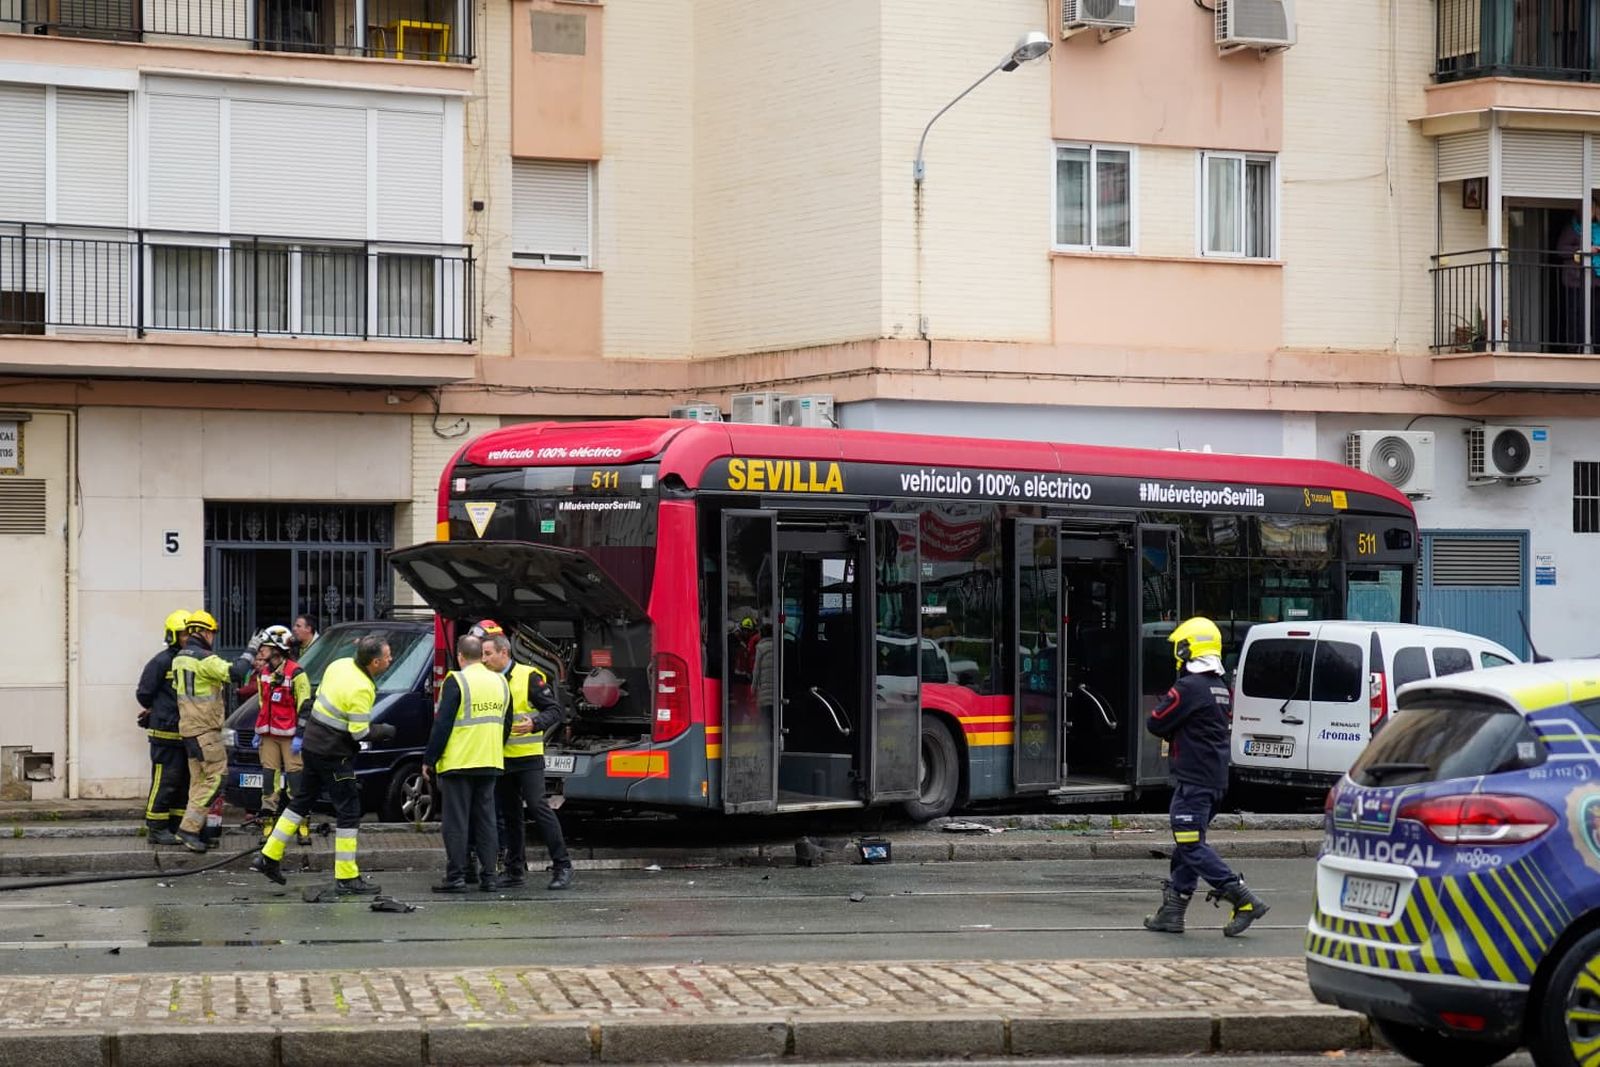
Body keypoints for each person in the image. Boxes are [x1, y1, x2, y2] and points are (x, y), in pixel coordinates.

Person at [1142, 616, 1268, 937]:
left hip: (1194, 781)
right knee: (1187, 845)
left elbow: (1156, 722)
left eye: (1179, 648)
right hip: (1214, 780)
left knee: (1190, 844)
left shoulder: (1189, 687)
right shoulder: (1219, 687)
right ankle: (1173, 912)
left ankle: (1242, 897)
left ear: (1188, 650)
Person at [251, 635, 396, 894]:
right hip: (334, 755)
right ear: (375, 662)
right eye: (387, 656)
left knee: (301, 801)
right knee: (349, 811)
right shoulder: (362, 688)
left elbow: (318, 702)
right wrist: (384, 731)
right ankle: (347, 876)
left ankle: (268, 856)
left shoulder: (339, 665)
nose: (390, 659)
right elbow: (359, 732)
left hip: (312, 746)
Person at [485, 631, 574, 891]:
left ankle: (563, 865)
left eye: (488, 654)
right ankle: (514, 870)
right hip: (500, 757)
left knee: (538, 807)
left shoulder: (528, 676)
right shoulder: (487, 679)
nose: (484, 659)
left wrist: (535, 723)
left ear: (504, 652)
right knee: (510, 815)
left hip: (527, 757)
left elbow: (554, 710)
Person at [425, 634, 511, 893]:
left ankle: (456, 877)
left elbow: (442, 725)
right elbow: (506, 723)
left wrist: (430, 759)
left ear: (460, 656)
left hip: (459, 763)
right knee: (486, 821)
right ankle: (490, 877)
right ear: (481, 655)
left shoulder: (457, 680)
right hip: (490, 760)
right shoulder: (500, 681)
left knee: (457, 823)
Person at [170, 611, 257, 853]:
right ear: (205, 632)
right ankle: (188, 830)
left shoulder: (179, 658)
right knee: (216, 778)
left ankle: (193, 829)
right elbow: (236, 673)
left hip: (188, 729)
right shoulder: (205, 659)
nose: (213, 638)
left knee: (198, 781)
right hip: (205, 730)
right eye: (212, 633)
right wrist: (251, 650)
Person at [239, 625, 312, 846]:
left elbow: (305, 707)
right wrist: (258, 730)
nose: (261, 650)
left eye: (265, 646)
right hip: (268, 735)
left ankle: (302, 824)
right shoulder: (264, 674)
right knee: (269, 780)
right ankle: (268, 822)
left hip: (291, 737)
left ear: (278, 649)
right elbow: (263, 704)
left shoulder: (297, 673)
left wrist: (300, 735)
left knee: (296, 782)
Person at [136, 609, 190, 846]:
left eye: (190, 634)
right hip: (165, 732)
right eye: (183, 634)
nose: (188, 638)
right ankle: (156, 827)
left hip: (184, 733)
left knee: (182, 783)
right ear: (172, 635)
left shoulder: (191, 661)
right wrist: (158, 709)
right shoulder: (161, 661)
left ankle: (175, 825)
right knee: (165, 781)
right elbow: (144, 693)